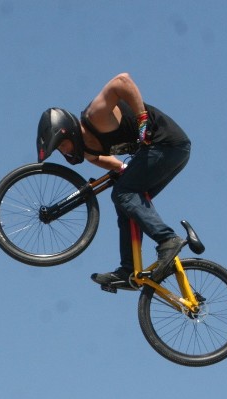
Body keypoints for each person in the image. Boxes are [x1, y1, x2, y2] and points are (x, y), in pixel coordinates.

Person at [36, 72, 191, 287]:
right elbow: (111, 163)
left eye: (62, 145)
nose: (64, 152)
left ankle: (167, 240)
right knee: (125, 201)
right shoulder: (90, 152)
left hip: (167, 144)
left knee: (124, 193)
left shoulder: (96, 115)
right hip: (165, 152)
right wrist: (123, 168)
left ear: (68, 132)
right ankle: (128, 270)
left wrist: (142, 119)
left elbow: (122, 81)